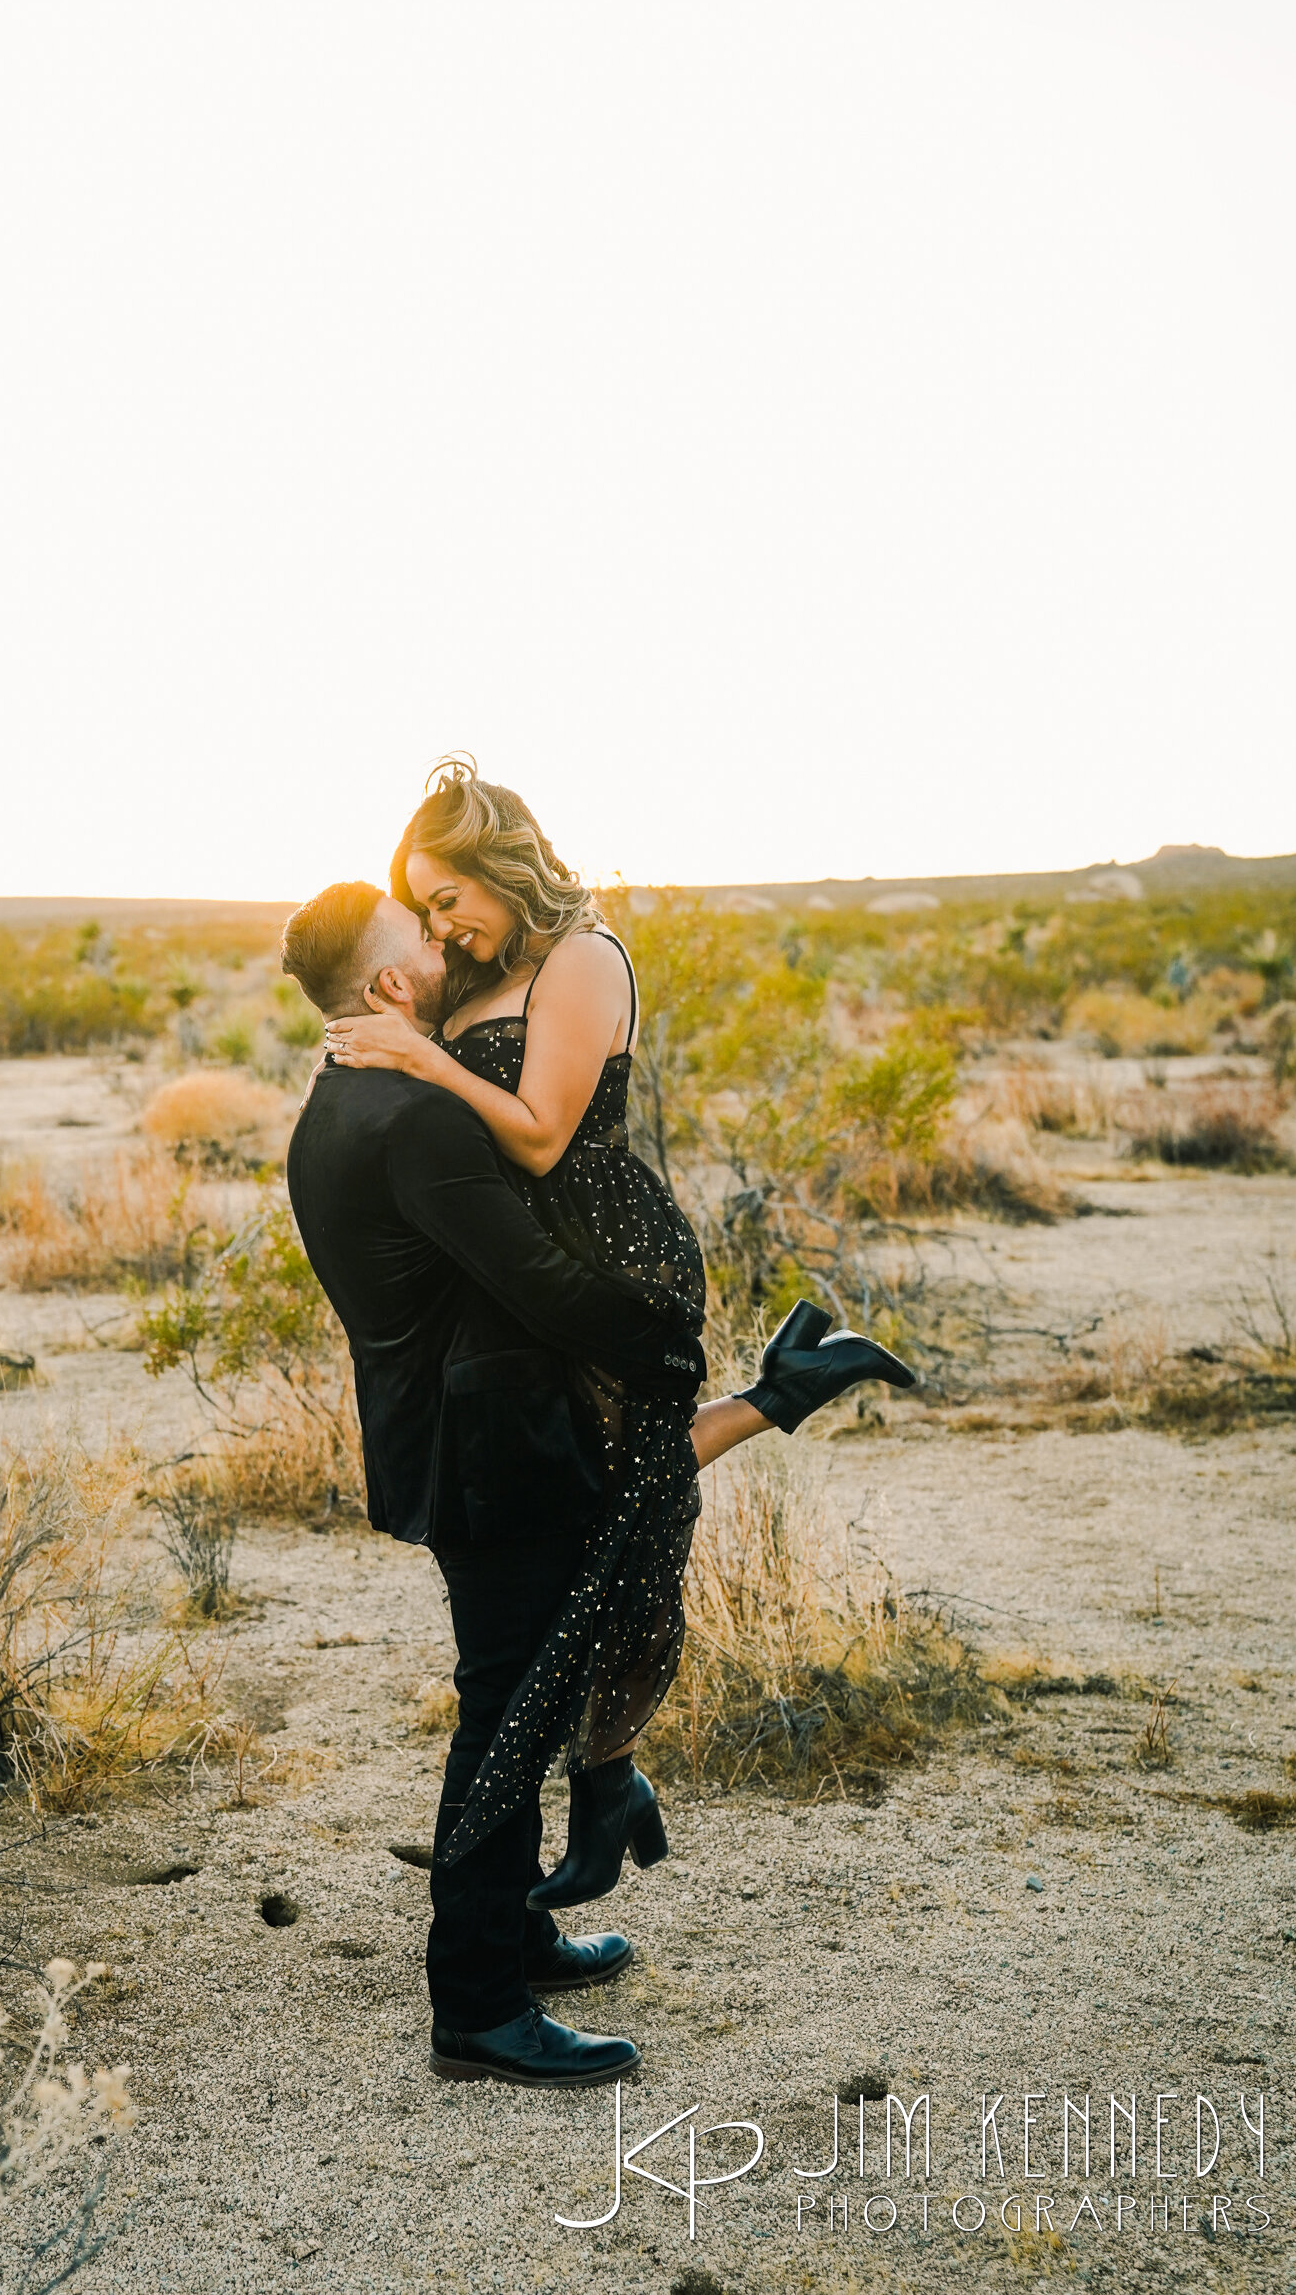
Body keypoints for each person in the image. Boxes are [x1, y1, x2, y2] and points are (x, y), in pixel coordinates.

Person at [321, 760, 914, 1912]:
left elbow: (541, 1138)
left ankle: (589, 1794)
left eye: (451, 898)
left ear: (501, 864)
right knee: (604, 1507)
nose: (444, 924)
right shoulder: (475, 977)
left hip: (603, 1253)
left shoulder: (582, 959)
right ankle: (600, 1789)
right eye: (425, 908)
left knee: (620, 1514)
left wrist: (424, 1057)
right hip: (523, 1277)